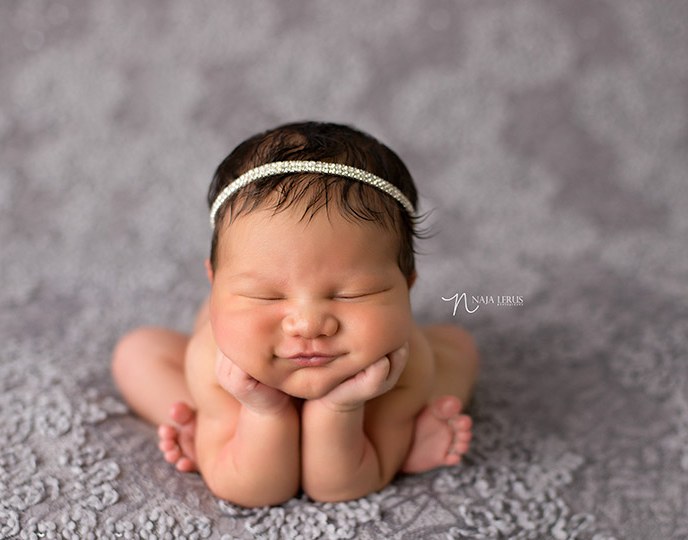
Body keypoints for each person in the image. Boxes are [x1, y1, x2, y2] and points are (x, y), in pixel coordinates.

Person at [112, 122, 478, 507]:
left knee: (456, 345)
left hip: (374, 398)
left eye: (353, 293)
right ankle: (206, 427)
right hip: (238, 390)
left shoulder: (403, 364)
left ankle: (400, 433)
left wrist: (342, 406)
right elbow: (254, 490)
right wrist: (263, 411)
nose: (308, 324)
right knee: (137, 353)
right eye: (265, 296)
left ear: (407, 285)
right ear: (214, 281)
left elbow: (340, 488)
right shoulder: (215, 360)